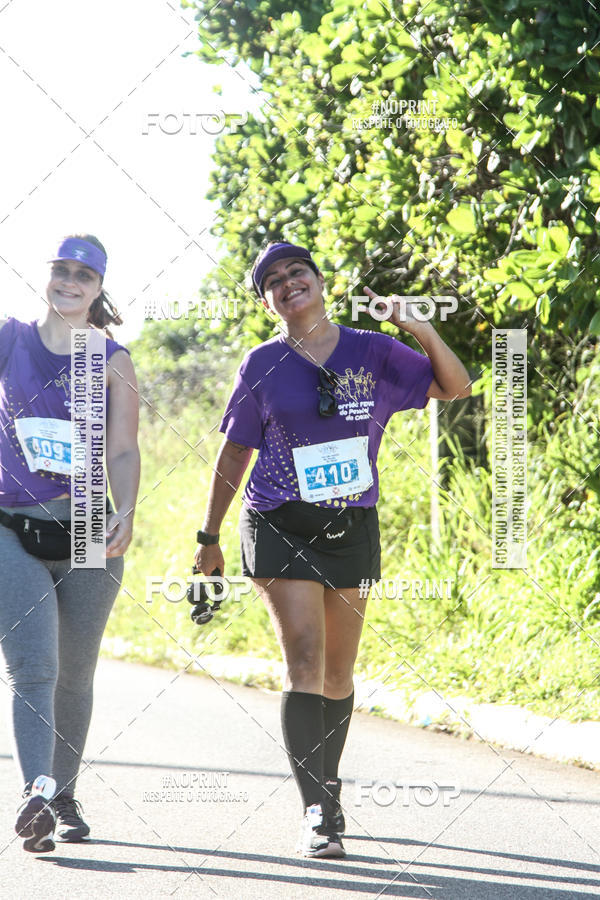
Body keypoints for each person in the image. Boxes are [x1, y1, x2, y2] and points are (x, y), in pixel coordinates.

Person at [194, 240, 471, 858]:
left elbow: (455, 387)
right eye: (273, 280)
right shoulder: (262, 363)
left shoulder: (372, 350)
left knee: (340, 672)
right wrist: (208, 537)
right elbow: (235, 451)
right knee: (305, 660)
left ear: (320, 282)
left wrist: (418, 326)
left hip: (350, 524)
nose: (288, 282)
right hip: (279, 521)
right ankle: (317, 809)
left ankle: (328, 783)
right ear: (267, 302)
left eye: (297, 271)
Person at [0, 234, 140, 852]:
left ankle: (62, 795)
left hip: (86, 525)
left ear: (99, 287)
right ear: (46, 274)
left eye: (84, 274)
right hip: (10, 525)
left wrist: (127, 510)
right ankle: (35, 794)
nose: (70, 281)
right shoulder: (10, 339)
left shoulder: (111, 359)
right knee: (34, 668)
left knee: (75, 675)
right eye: (62, 269)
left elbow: (124, 449)